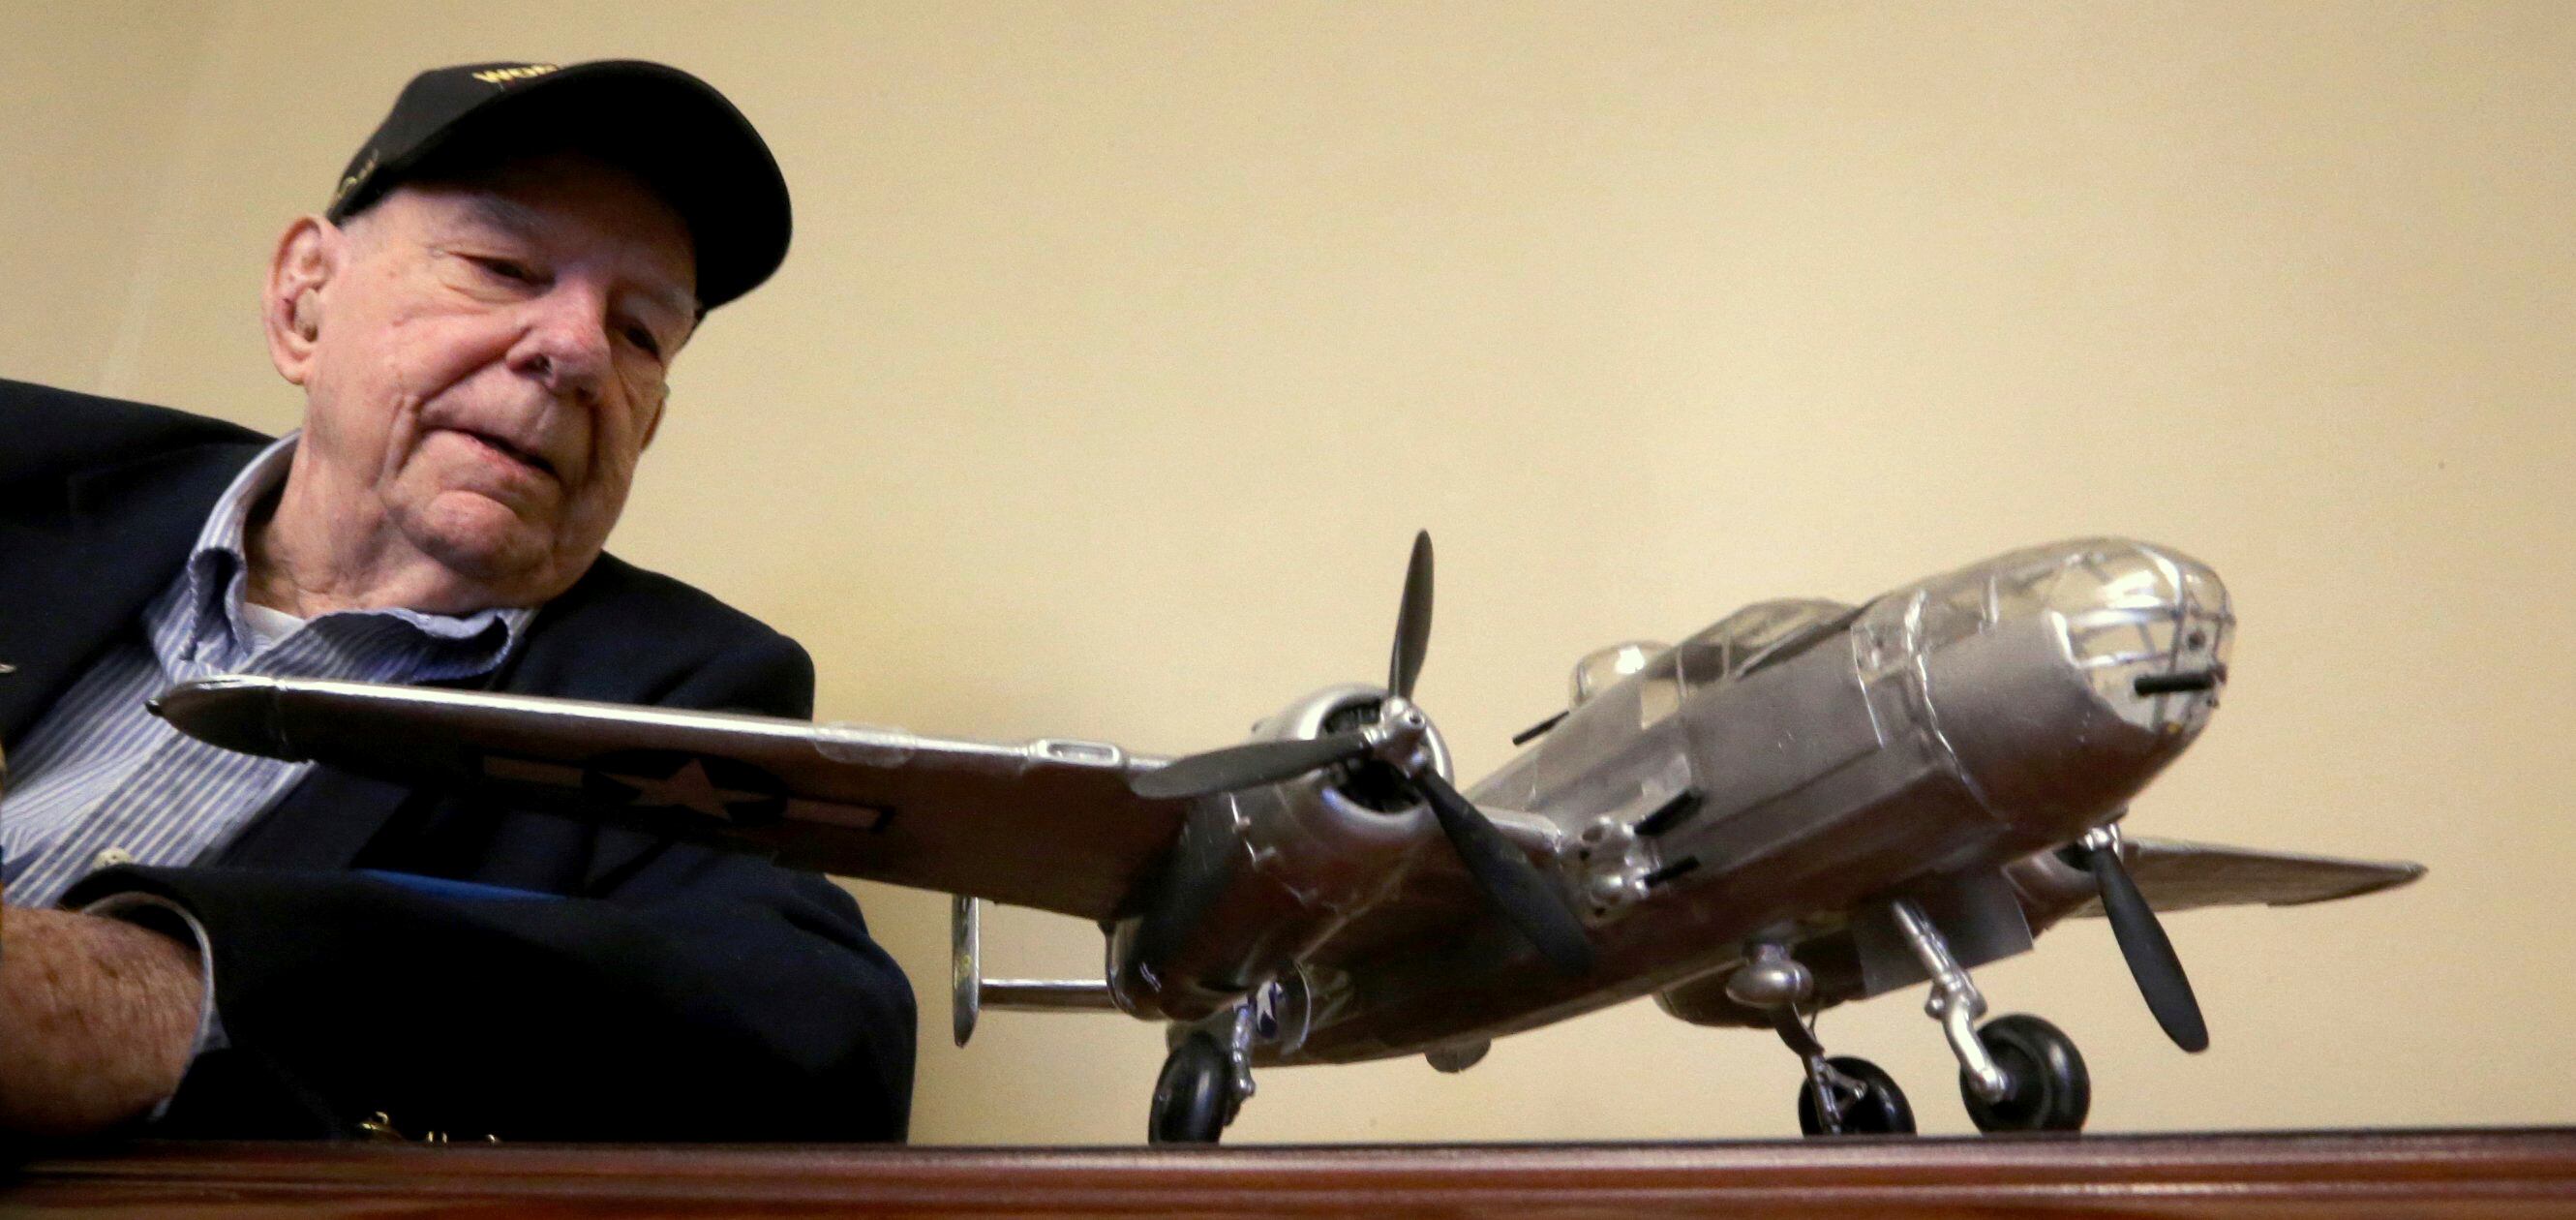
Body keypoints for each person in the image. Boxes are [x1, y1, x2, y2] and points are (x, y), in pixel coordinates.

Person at [0, 61, 915, 1142]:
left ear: (649, 422)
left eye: (640, 334)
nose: (575, 352)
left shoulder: (679, 691)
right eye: (503, 265)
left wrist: (164, 988)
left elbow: (825, 1041)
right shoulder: (25, 467)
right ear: (304, 297)